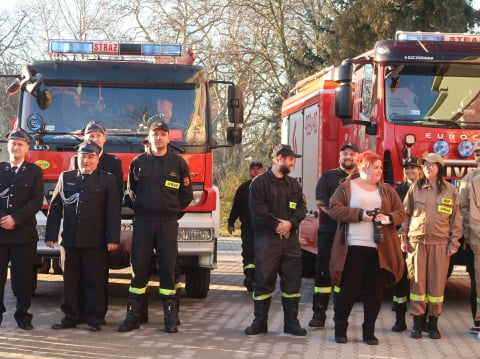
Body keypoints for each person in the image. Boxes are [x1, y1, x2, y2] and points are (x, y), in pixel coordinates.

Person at [118, 121, 193, 333]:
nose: (158, 138)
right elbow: (130, 194)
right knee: (139, 267)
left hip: (167, 222)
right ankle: (134, 315)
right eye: (155, 134)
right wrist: (143, 209)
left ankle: (170, 317)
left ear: (169, 138)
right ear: (149, 138)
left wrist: (171, 211)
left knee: (168, 268)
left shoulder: (178, 164)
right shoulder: (138, 163)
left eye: (162, 134)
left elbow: (186, 196)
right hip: (143, 221)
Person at [329, 150, 405, 345]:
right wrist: (360, 215)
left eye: (380, 167)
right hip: (353, 248)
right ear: (364, 167)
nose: (380, 171)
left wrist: (388, 218)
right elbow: (334, 209)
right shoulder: (347, 187)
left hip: (378, 249)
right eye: (376, 167)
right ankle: (340, 329)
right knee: (348, 289)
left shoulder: (387, 189)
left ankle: (369, 332)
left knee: (374, 291)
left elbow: (400, 212)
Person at [46, 141, 120, 332]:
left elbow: (113, 212)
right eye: (83, 157)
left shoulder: (107, 179)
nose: (86, 161)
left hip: (95, 241)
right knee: (70, 280)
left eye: (90, 157)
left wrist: (113, 238)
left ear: (98, 159)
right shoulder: (66, 177)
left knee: (94, 281)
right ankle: (70, 316)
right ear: (77, 158)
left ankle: (94, 318)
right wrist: (51, 234)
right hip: (70, 239)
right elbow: (55, 208)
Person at [245, 144, 307, 336]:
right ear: (278, 158)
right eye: (290, 159)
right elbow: (258, 210)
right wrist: (277, 225)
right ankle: (260, 322)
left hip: (290, 241)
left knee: (293, 283)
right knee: (263, 281)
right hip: (267, 240)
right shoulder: (260, 183)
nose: (292, 162)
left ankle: (291, 323)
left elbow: (301, 208)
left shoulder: (294, 184)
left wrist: (290, 223)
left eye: (293, 159)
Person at [400, 153, 462, 340]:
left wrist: (454, 243)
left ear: (440, 168)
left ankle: (433, 324)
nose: (427, 167)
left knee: (436, 287)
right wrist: (403, 238)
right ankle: (417, 324)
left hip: (440, 244)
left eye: (431, 165)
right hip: (417, 242)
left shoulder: (451, 191)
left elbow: (456, 220)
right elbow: (405, 215)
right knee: (417, 284)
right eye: (425, 165)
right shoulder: (415, 189)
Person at [309, 142, 359, 328]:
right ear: (340, 157)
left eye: (352, 154)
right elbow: (321, 200)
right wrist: (339, 215)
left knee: (345, 275)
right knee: (323, 272)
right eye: (344, 154)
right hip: (329, 232)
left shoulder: (361, 179)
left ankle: (341, 317)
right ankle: (319, 314)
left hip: (352, 233)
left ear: (357, 158)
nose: (348, 157)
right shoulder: (328, 176)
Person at [0, 129, 44, 330]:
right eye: (13, 143)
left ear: (27, 147)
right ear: (8, 146)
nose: (16, 147)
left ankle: (23, 316)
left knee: (23, 280)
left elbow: (36, 200)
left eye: (20, 144)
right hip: (0, 232)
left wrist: (15, 218)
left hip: (23, 235)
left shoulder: (35, 172)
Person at [391, 157, 423, 332]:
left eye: (413, 168)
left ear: (420, 170)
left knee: (420, 282)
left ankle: (421, 320)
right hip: (403, 241)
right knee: (401, 281)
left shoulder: (427, 189)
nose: (410, 171)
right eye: (407, 168)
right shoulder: (399, 189)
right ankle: (399, 319)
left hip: (420, 241)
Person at [227, 160, 264, 291]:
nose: (256, 171)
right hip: (248, 226)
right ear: (249, 171)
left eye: (258, 169)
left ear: (263, 171)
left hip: (263, 228)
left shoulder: (268, 187)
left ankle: (260, 278)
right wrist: (231, 222)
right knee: (248, 251)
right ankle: (249, 277)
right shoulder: (243, 188)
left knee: (262, 253)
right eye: (253, 169)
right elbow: (236, 206)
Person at [69, 120, 123, 200]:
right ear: (84, 139)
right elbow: (71, 189)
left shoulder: (114, 162)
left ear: (104, 138)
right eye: (91, 136)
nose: (95, 139)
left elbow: (117, 194)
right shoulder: (76, 160)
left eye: (98, 136)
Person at [459, 141, 480, 338]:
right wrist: (469, 235)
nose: (479, 156)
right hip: (476, 240)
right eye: (477, 153)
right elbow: (463, 209)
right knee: (476, 283)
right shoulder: (468, 179)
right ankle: (478, 322)